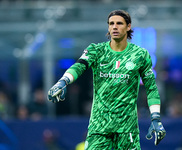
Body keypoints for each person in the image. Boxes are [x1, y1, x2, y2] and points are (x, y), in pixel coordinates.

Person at [47, 10, 166, 150]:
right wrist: (63, 81)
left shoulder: (140, 55)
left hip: (127, 129)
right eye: (111, 24)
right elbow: (79, 66)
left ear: (128, 26)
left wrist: (156, 118)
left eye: (119, 23)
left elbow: (151, 88)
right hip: (99, 129)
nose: (114, 27)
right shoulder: (96, 50)